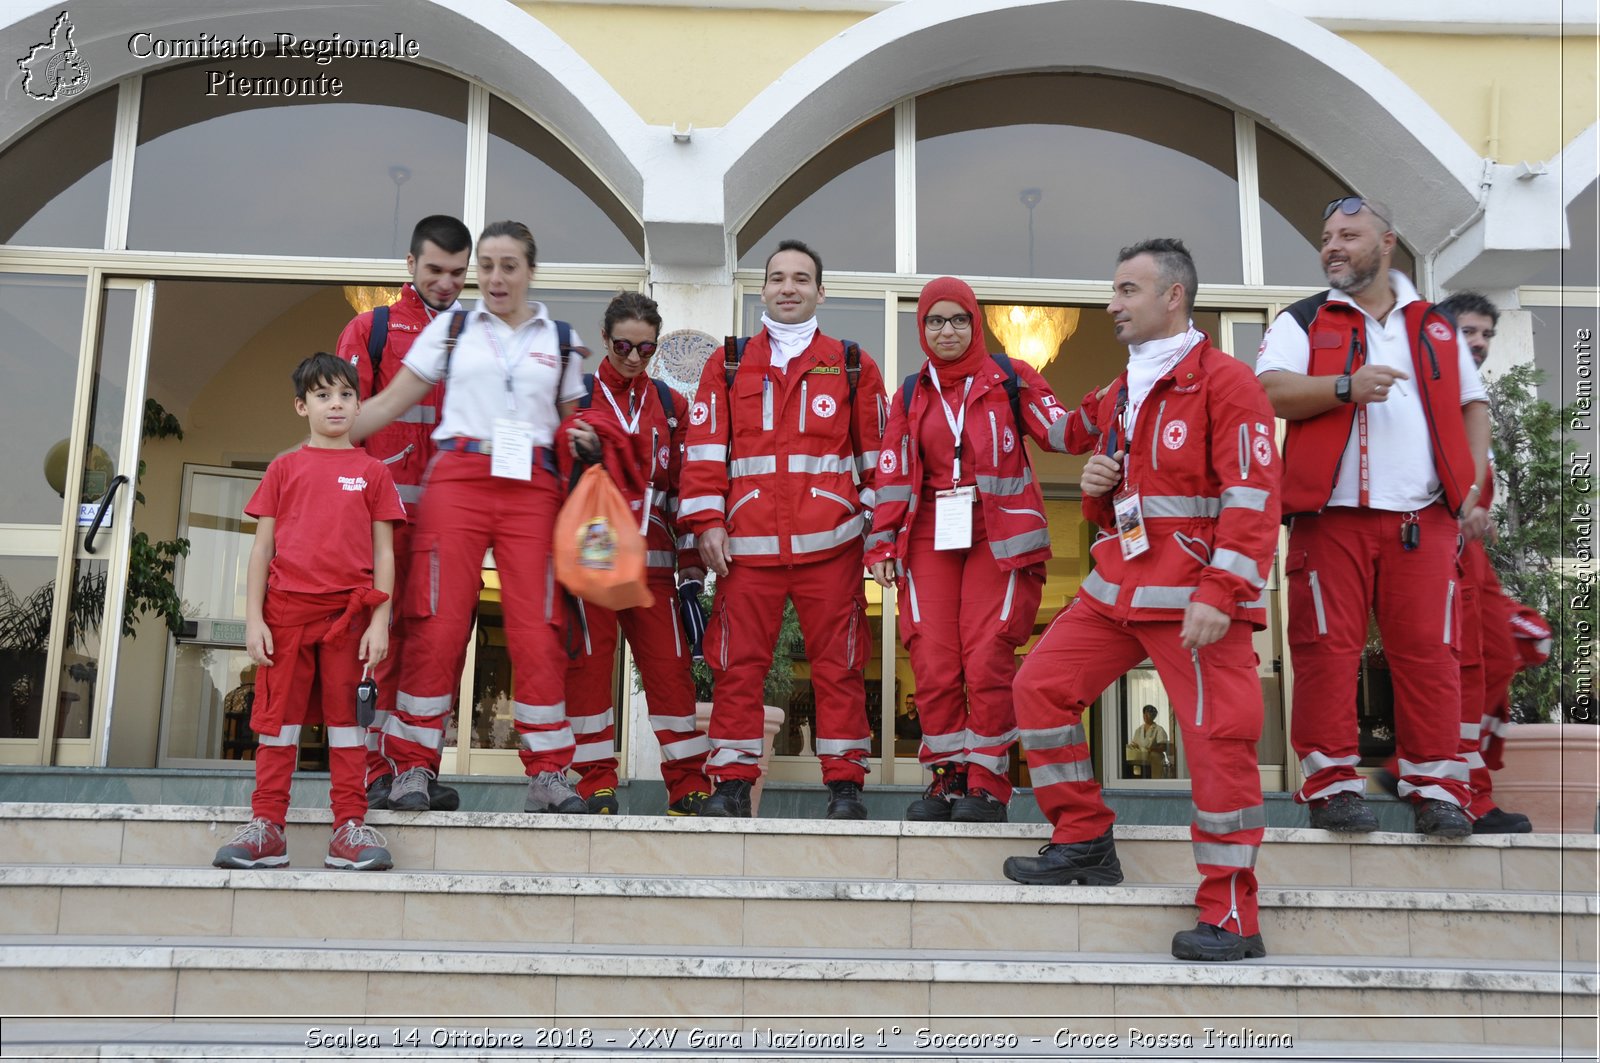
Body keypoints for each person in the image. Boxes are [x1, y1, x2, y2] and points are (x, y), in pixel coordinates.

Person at [1002, 238, 1280, 964]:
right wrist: (1092, 486)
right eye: (1114, 290)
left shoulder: (1228, 383)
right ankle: (1084, 836)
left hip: (1196, 601)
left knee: (1221, 747)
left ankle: (1231, 913)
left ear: (1173, 297)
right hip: (1115, 590)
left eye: (1127, 290)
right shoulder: (1120, 390)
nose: (1111, 305)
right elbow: (1075, 444)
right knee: (1038, 689)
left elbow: (1252, 500)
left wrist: (1223, 590)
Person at [1256, 196, 1488, 838]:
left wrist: (1471, 489)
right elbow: (1267, 391)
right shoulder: (1302, 318)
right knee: (1325, 653)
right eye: (1326, 236)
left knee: (1431, 656)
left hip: (1424, 520)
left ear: (1387, 243)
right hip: (1330, 520)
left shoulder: (1436, 326)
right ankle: (1332, 786)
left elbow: (1475, 406)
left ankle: (1439, 788)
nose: (1332, 246)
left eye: (1349, 235)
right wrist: (1344, 387)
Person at [352, 220, 600, 815]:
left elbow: (575, 421)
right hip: (458, 481)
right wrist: (312, 450)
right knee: (436, 624)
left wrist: (584, 435)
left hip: (532, 487)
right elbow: (387, 404)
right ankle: (412, 767)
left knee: (536, 628)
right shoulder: (450, 328)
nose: (494, 277)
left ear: (530, 272)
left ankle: (549, 773)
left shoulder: (560, 339)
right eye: (485, 265)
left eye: (508, 265)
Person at [677, 239, 886, 819]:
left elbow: (879, 460)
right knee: (736, 666)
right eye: (776, 278)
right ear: (762, 289)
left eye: (800, 278)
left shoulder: (852, 363)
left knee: (840, 667)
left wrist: (870, 526)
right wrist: (707, 522)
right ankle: (732, 784)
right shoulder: (727, 363)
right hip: (746, 553)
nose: (788, 287)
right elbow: (702, 452)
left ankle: (845, 785)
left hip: (831, 550)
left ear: (821, 290)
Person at [865, 276, 1058, 823]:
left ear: (976, 324)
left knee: (988, 654)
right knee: (931, 656)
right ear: (921, 329)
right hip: (929, 534)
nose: (946, 330)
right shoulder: (910, 391)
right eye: (934, 321)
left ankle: (989, 782)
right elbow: (893, 473)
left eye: (958, 319)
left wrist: (1120, 406)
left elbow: (1061, 430)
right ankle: (947, 775)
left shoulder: (1011, 377)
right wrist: (881, 541)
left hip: (999, 538)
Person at [212, 353, 405, 871]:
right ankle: (268, 828)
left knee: (349, 726)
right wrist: (254, 620)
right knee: (278, 724)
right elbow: (261, 550)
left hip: (350, 620)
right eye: (323, 396)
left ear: (359, 403)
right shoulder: (284, 467)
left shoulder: (371, 474)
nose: (336, 404)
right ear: (302, 406)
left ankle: (348, 828)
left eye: (345, 395)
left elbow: (385, 553)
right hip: (286, 617)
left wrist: (380, 622)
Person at [1393, 292, 1547, 833]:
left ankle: (1460, 784)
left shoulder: (1469, 404)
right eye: (1467, 333)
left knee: (1495, 663)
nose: (1478, 344)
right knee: (1458, 676)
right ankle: (1455, 793)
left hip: (1472, 563)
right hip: (1437, 558)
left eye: (1486, 335)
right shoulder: (1420, 404)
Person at [336, 214, 471, 814]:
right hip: (382, 527)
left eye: (457, 273)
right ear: (410, 266)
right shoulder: (372, 329)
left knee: (438, 649)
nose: (446, 282)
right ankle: (374, 771)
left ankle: (415, 766)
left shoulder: (479, 336)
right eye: (435, 270)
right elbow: (341, 431)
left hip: (450, 528)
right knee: (377, 645)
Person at [563, 292, 713, 815]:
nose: (633, 357)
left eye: (646, 349)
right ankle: (594, 782)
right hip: (592, 563)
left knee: (671, 671)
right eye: (624, 345)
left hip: (655, 568)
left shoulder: (672, 406)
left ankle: (688, 784)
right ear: (605, 338)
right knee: (588, 669)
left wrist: (692, 571)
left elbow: (684, 490)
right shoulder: (576, 395)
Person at [1129, 704, 1171, 780]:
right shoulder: (1138, 730)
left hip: (1155, 760)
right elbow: (1134, 744)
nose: (1146, 715)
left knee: (1154, 782)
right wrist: (1133, 747)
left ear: (1154, 716)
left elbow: (1163, 747)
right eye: (1144, 713)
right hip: (1140, 760)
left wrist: (1151, 749)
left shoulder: (1159, 729)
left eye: (1148, 713)